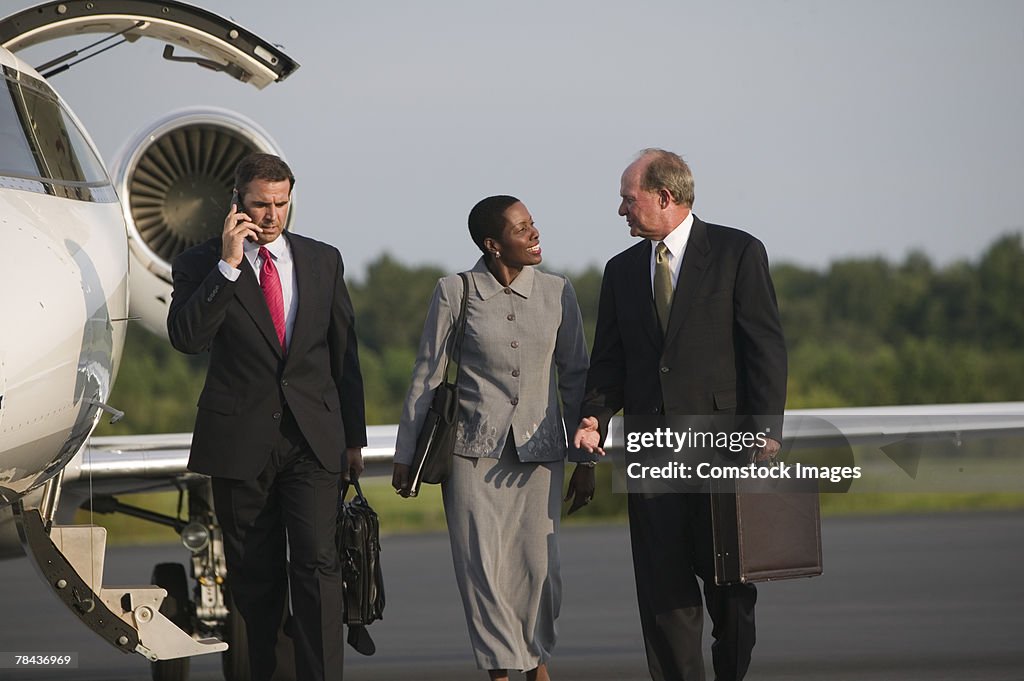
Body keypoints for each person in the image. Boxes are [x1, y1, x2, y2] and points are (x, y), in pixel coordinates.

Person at [573, 149, 787, 681]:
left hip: (724, 451)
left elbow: (764, 347)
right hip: (652, 455)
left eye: (628, 198)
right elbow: (609, 361)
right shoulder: (620, 271)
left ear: (663, 197)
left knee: (730, 590)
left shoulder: (738, 252)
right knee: (662, 591)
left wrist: (765, 433)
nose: (621, 209)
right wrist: (593, 417)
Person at [167, 153, 366, 681]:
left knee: (319, 568)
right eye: (261, 204)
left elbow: (344, 353)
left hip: (313, 441)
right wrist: (228, 266)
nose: (273, 214)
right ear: (237, 203)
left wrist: (354, 438)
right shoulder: (198, 264)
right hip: (239, 442)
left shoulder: (324, 260)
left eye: (281, 203)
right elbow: (188, 338)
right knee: (255, 578)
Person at [392, 195, 596, 681]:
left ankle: (536, 659)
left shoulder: (558, 292)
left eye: (533, 224)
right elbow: (426, 376)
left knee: (540, 571)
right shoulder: (455, 291)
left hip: (541, 451)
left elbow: (576, 379)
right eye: (522, 228)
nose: (534, 233)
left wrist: (585, 461)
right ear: (493, 244)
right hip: (471, 454)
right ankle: (502, 672)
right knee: (482, 571)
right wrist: (406, 455)